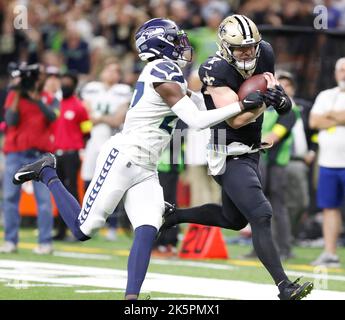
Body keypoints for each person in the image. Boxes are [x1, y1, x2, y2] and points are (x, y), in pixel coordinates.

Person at [11, 18, 264, 300]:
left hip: (146, 165)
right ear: (159, 44)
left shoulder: (170, 72)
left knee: (148, 227)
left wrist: (244, 125)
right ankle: (47, 172)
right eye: (175, 39)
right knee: (83, 230)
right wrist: (240, 105)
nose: (182, 45)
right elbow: (195, 120)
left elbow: (199, 104)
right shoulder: (161, 71)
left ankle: (131, 299)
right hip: (125, 156)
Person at [161, 14, 313, 300]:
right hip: (225, 149)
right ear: (224, 46)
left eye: (251, 47)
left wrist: (279, 100)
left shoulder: (264, 52)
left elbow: (279, 101)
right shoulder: (214, 69)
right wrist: (264, 102)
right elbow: (236, 121)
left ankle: (173, 216)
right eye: (240, 48)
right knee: (261, 213)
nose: (247, 53)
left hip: (252, 149)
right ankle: (284, 286)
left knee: (234, 220)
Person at [0, 64, 57, 254]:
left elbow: (52, 117)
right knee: (10, 197)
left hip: (40, 156)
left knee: (43, 200)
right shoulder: (13, 96)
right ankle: (10, 240)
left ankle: (45, 242)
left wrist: (37, 100)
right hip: (16, 152)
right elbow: (10, 120)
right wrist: (17, 92)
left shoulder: (47, 97)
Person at [309, 57, 345, 268]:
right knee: (329, 208)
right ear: (335, 73)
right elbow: (314, 121)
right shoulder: (325, 95)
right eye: (341, 70)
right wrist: (339, 116)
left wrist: (329, 115)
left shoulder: (327, 102)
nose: (344, 74)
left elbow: (322, 118)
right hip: (328, 163)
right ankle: (330, 253)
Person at [52, 72, 91, 241]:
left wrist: (77, 147)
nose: (64, 85)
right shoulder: (56, 105)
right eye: (63, 82)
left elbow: (87, 132)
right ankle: (60, 231)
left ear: (74, 86)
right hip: (56, 153)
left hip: (71, 154)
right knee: (59, 192)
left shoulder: (79, 107)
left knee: (72, 190)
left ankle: (77, 228)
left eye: (67, 83)